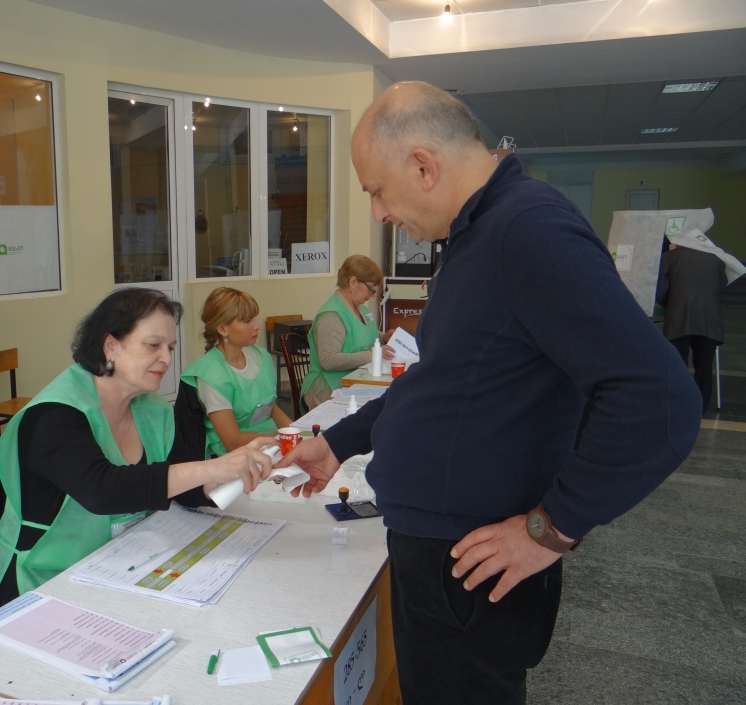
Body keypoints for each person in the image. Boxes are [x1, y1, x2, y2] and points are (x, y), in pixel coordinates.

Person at [278, 82, 702, 705]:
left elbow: (659, 398)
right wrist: (336, 443)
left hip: (470, 567)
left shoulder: (527, 231)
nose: (378, 213)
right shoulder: (476, 235)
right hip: (443, 556)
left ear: (423, 165)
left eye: (375, 190)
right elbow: (444, 377)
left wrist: (553, 527)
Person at [0, 288, 273, 620]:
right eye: (152, 345)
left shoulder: (152, 409)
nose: (168, 359)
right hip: (41, 589)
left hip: (119, 571)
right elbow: (103, 490)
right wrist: (212, 468)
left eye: (170, 348)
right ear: (110, 344)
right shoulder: (54, 415)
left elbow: (180, 488)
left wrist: (232, 477)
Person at [180, 287, 292, 458]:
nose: (256, 325)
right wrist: (281, 438)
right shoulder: (211, 375)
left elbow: (271, 408)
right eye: (247, 320)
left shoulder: (261, 356)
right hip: (234, 459)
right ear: (223, 329)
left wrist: (294, 432)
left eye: (254, 318)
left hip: (271, 446)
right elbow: (233, 442)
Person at [300, 255, 395, 410]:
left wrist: (384, 337)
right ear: (353, 282)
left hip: (355, 380)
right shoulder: (332, 315)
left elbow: (362, 332)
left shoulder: (360, 308)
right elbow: (329, 360)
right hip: (328, 387)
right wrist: (373, 355)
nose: (371, 295)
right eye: (370, 288)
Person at [656, 242, 727, 414]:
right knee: (704, 367)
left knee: (677, 365)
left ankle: (679, 405)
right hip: (709, 320)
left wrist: (672, 305)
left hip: (678, 319)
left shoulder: (669, 258)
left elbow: (661, 290)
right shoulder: (716, 258)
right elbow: (722, 286)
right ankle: (701, 408)